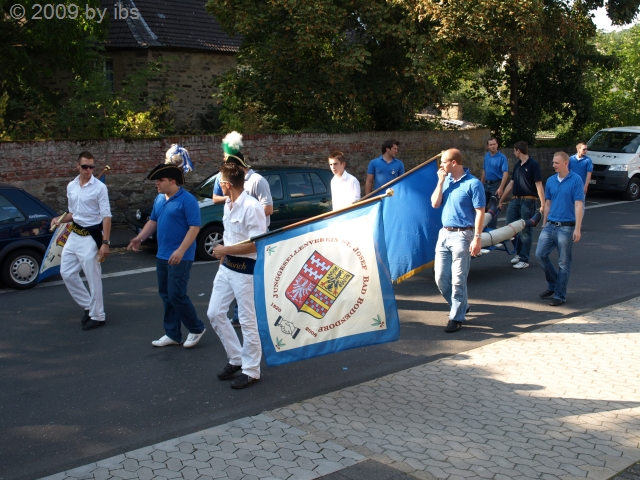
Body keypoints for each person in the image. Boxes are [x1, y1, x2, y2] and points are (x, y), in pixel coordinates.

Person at [127, 164, 206, 348]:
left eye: (160, 180)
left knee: (176, 294)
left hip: (181, 256)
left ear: (172, 181)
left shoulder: (188, 200)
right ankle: (173, 334)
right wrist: (140, 238)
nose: (157, 183)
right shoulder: (159, 199)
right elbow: (152, 222)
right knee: (166, 295)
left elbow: (194, 227)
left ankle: (196, 328)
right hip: (162, 255)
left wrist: (181, 250)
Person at [207, 163, 267, 389]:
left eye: (219, 183)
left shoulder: (252, 207)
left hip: (245, 271)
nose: (218, 186)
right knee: (214, 313)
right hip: (227, 267)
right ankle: (236, 358)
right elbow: (230, 234)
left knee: (247, 320)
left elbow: (257, 244)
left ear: (226, 184)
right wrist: (223, 255)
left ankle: (251, 370)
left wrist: (225, 250)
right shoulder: (228, 204)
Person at [212, 131, 272, 327]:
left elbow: (268, 209)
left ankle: (245, 318)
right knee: (216, 311)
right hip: (232, 253)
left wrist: (247, 210)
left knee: (249, 310)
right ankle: (239, 318)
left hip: (251, 244)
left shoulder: (257, 181)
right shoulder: (230, 200)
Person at [52, 151, 111, 331]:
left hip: (91, 236)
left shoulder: (100, 188)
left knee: (93, 278)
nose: (88, 170)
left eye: (92, 166)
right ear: (78, 166)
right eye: (85, 166)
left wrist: (105, 243)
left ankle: (98, 316)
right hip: (74, 234)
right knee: (67, 272)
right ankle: (88, 306)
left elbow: (106, 216)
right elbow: (72, 213)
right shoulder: (71, 186)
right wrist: (59, 219)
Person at [431, 149, 485, 333]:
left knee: (458, 280)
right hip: (444, 234)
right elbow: (434, 203)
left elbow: (480, 212)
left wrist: (477, 238)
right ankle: (461, 305)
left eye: (443, 162)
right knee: (440, 278)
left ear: (454, 163)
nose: (441, 165)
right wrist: (440, 182)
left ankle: (456, 317)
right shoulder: (445, 180)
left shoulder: (473, 184)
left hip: (463, 235)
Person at [536, 152, 584, 306]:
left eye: (556, 163)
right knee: (540, 254)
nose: (553, 165)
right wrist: (544, 223)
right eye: (553, 162)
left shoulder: (576, 180)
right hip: (550, 225)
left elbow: (579, 205)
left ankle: (560, 294)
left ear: (566, 163)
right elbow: (548, 203)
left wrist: (578, 228)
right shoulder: (551, 180)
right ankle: (555, 284)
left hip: (566, 227)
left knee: (563, 262)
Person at [498, 141, 545, 270]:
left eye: (514, 151)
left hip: (528, 201)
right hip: (515, 200)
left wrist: (543, 203)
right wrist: (501, 200)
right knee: (510, 228)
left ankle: (524, 259)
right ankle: (519, 253)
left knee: (525, 231)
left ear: (518, 150)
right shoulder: (517, 165)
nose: (514, 153)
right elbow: (511, 184)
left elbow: (539, 185)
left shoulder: (533, 165)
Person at [480, 137, 509, 229]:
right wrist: (481, 184)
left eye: (494, 144)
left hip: (496, 184)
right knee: (482, 205)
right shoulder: (486, 156)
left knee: (493, 207)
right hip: (486, 184)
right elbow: (484, 171)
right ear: (488, 146)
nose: (492, 146)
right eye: (491, 145)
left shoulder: (502, 157)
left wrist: (501, 188)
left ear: (497, 145)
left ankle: (492, 229)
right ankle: (482, 226)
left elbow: (505, 173)